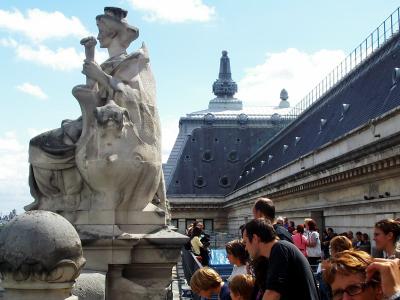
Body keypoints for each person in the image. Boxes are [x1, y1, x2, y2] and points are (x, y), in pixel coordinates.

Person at [243, 218, 319, 300]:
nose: (246, 248)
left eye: (245, 242)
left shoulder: (280, 249)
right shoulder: (278, 250)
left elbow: (272, 295)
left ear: (255, 238)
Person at [317, 235, 353, 300]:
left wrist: (324, 272)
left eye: (330, 248)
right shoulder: (353, 264)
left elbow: (328, 294)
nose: (329, 252)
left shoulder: (334, 268)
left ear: (336, 249)